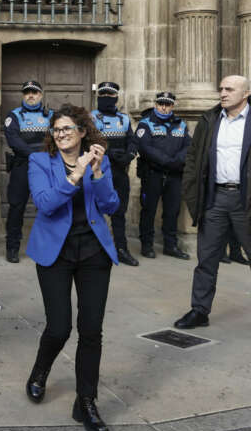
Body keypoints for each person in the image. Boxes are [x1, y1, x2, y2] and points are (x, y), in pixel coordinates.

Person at [24, 104, 118, 431]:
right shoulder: (39, 162)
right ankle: (40, 371)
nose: (61, 134)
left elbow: (110, 206)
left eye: (67, 129)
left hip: (93, 252)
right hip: (55, 253)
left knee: (91, 330)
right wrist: (75, 174)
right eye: (56, 129)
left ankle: (87, 401)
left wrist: (95, 173)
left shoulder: (98, 159)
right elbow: (46, 204)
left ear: (82, 132)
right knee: (60, 327)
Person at [175, 76, 251, 329]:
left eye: (229, 89)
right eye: (221, 88)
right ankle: (199, 311)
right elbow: (194, 159)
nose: (223, 93)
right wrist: (191, 191)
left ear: (246, 93)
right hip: (214, 199)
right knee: (206, 259)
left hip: (245, 200)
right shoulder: (210, 120)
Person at [135, 91, 190, 260]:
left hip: (174, 176)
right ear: (156, 104)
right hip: (153, 174)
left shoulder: (181, 125)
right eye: (160, 104)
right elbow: (145, 148)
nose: (164, 107)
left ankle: (170, 246)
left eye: (167, 104)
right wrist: (169, 162)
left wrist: (177, 162)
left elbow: (188, 147)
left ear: (172, 106)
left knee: (172, 211)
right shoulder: (145, 123)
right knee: (149, 211)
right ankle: (147, 245)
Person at [90, 82, 139, 266]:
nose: (107, 98)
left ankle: (121, 249)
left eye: (111, 95)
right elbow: (89, 141)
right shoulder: (91, 118)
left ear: (116, 97)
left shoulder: (124, 119)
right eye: (103, 94)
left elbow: (132, 141)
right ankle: (95, 249)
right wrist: (109, 154)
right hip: (99, 171)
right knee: (94, 210)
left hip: (120, 172)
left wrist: (129, 155)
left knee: (119, 212)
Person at [4, 80, 53, 263]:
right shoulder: (14, 116)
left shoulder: (51, 116)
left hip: (46, 167)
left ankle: (49, 246)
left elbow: (58, 137)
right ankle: (12, 247)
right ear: (23, 96)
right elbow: (14, 140)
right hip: (23, 166)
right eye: (27, 93)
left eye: (34, 92)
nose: (30, 95)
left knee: (49, 207)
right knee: (17, 207)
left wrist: (42, 158)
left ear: (41, 95)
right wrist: (35, 155)